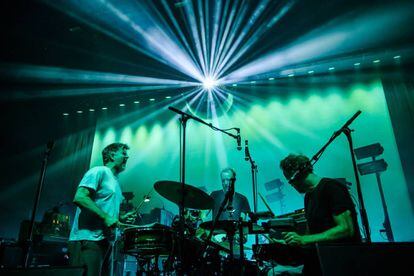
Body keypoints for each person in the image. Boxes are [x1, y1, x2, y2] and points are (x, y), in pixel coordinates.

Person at [278, 154, 361, 275]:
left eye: (290, 181)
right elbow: (310, 235)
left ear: (297, 175)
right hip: (320, 261)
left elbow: (346, 229)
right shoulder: (309, 196)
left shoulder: (332, 188)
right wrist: (292, 242)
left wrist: (304, 239)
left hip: (340, 263)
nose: (291, 185)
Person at [68, 143, 136, 276]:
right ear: (111, 155)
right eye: (123, 153)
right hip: (89, 239)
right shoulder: (99, 171)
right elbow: (80, 197)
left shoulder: (116, 182)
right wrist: (106, 217)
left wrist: (121, 217)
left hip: (106, 241)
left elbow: (107, 213)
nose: (127, 157)